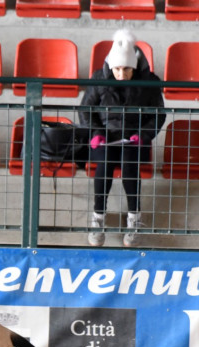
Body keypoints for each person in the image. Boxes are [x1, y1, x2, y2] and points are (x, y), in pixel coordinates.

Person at [80, 29, 165, 248]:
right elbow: (86, 110)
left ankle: (134, 219)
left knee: (130, 167)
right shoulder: (99, 78)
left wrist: (144, 135)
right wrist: (96, 132)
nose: (121, 73)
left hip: (134, 137)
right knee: (104, 164)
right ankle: (98, 217)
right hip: (104, 136)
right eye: (117, 69)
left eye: (126, 69)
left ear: (134, 67)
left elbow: (158, 114)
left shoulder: (150, 81)